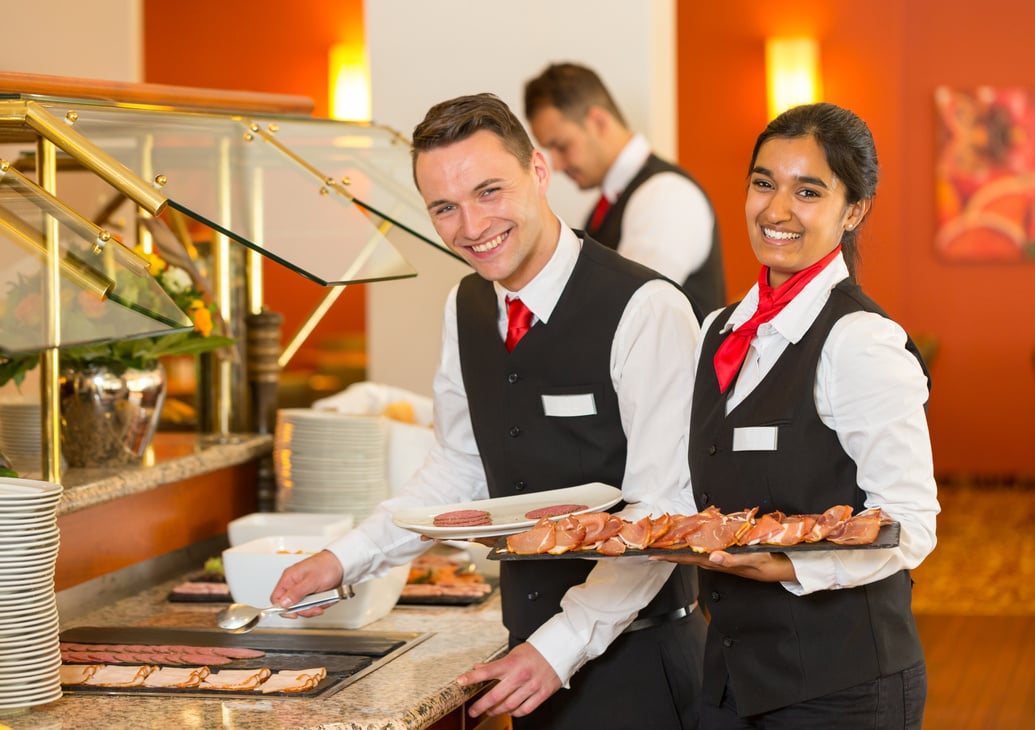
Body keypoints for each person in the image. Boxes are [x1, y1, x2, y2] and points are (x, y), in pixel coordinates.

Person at [270, 92, 706, 729]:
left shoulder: (647, 308)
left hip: (637, 670)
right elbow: (455, 472)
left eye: (489, 192)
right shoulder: (465, 308)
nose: (471, 227)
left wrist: (556, 648)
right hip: (527, 663)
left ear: (537, 171)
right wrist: (343, 559)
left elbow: (663, 512)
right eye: (444, 208)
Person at [653, 102, 938, 729]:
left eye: (807, 191)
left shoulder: (860, 341)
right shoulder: (716, 330)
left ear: (854, 209)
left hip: (843, 689)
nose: (776, 210)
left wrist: (788, 564)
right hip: (730, 679)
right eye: (763, 183)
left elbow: (912, 524)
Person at [524, 61, 726, 320]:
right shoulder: (606, 205)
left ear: (598, 122)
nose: (558, 166)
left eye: (561, 146)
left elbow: (626, 310)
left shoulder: (665, 196)